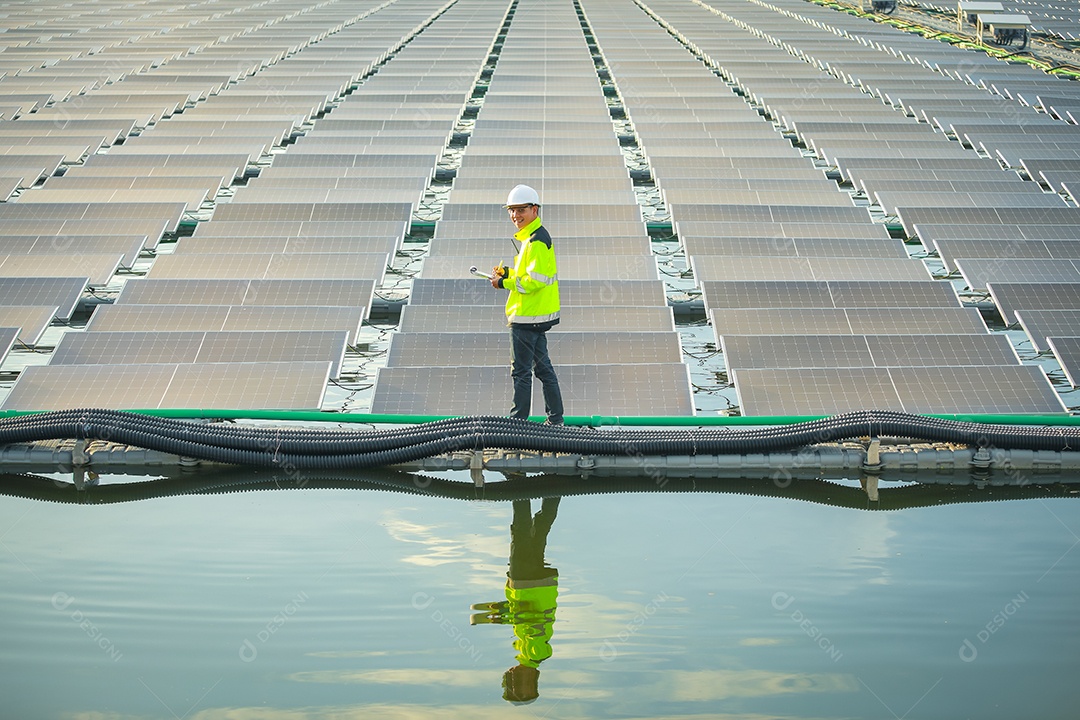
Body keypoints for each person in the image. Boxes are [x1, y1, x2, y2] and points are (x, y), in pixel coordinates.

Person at [470, 497, 561, 704]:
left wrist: (500, 612)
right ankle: (518, 482)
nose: (511, 675)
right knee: (522, 530)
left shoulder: (521, 649)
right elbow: (530, 616)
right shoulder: (536, 653)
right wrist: (498, 618)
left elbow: (521, 614)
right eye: (516, 682)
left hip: (537, 584)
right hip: (526, 582)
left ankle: (555, 488)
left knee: (540, 529)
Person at [490, 184, 565, 425]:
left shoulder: (536, 241)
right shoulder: (532, 238)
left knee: (521, 373)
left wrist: (503, 283)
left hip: (526, 317)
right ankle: (555, 420)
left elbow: (533, 282)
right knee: (543, 370)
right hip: (534, 317)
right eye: (511, 210)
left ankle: (517, 423)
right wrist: (509, 272)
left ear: (535, 210)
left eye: (521, 209)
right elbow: (529, 273)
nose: (515, 215)